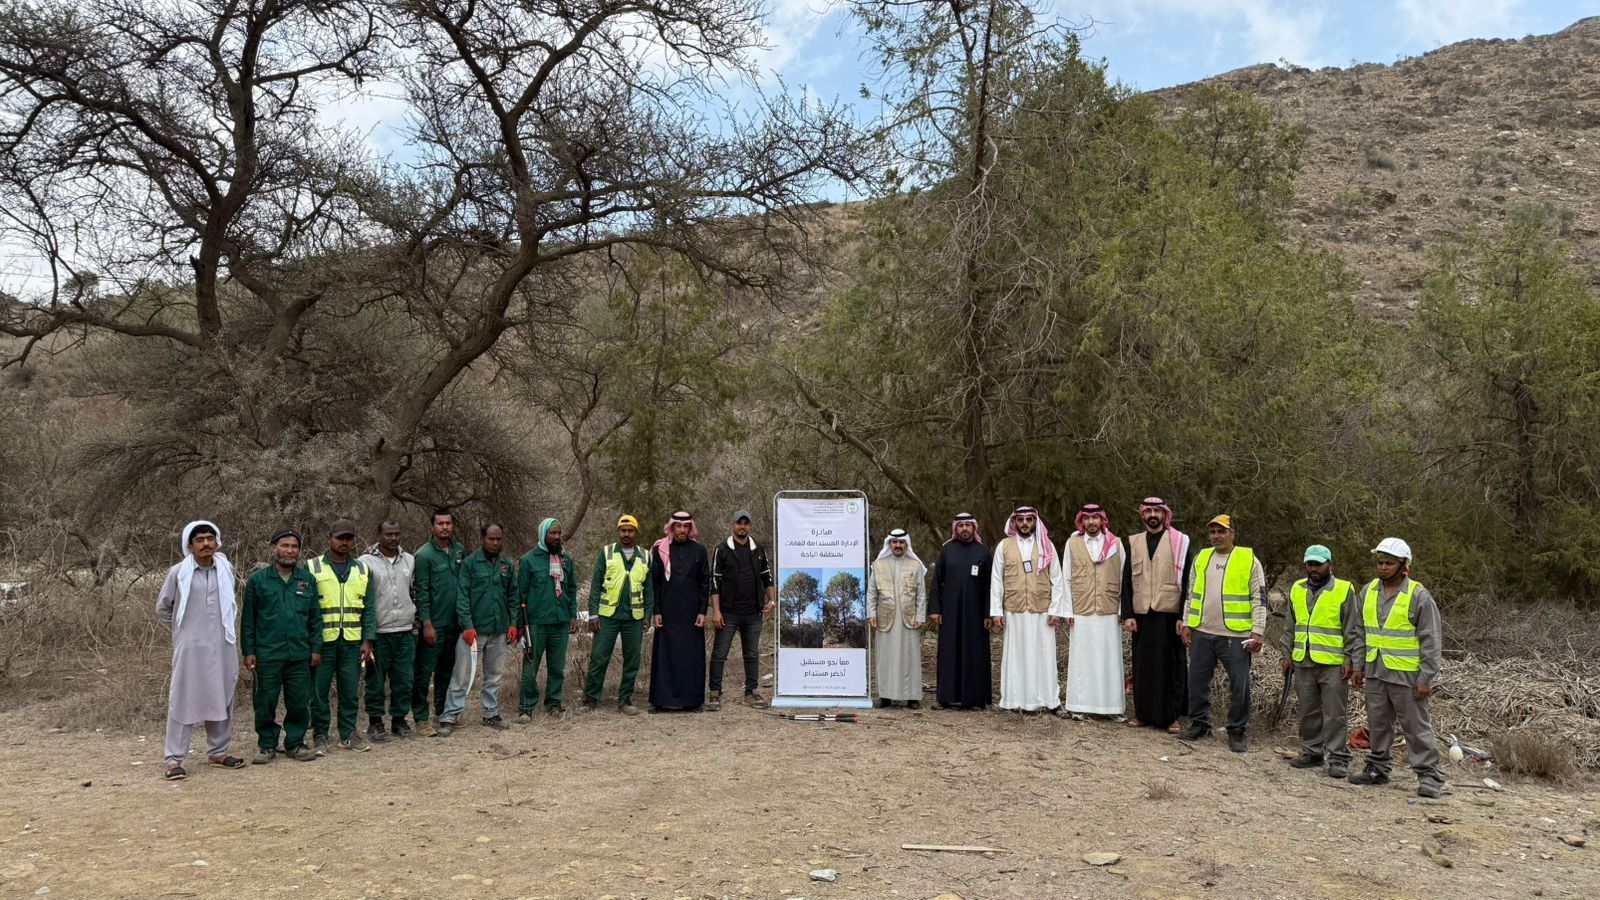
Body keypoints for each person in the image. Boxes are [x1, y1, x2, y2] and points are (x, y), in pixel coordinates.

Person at [1349, 538, 1447, 798]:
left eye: (1388, 563)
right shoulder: (1368, 591)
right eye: (1379, 562)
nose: (1382, 567)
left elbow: (1431, 639)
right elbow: (1361, 632)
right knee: (1378, 723)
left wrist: (1426, 677)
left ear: (1403, 565)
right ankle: (1377, 769)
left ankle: (1429, 777)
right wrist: (1358, 666)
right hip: (1376, 670)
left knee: (1415, 726)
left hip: (1406, 674)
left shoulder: (1418, 595)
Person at [156, 521, 245, 779]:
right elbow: (163, 608)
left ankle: (218, 752)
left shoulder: (225, 568)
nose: (206, 544)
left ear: (217, 542)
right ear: (190, 545)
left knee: (222, 694)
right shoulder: (178, 572)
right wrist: (182, 632)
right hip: (190, 648)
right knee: (183, 698)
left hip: (222, 644)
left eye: (210, 538)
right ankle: (174, 760)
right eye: (200, 540)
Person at [1177, 514, 1267, 752]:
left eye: (1222, 531)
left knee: (1239, 684)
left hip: (1235, 636)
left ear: (1232, 534)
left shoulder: (1248, 560)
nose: (1216, 536)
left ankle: (1237, 730)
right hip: (1203, 632)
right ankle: (1200, 724)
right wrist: (1187, 623)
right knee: (1196, 681)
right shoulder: (1202, 558)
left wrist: (1257, 632)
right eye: (1213, 532)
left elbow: (1259, 597)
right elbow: (1191, 593)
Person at [241, 529, 321, 764]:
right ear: (274, 547)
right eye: (284, 545)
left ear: (299, 551)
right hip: (268, 654)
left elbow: (315, 618)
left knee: (299, 702)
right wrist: (249, 651)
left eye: (294, 546)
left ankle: (295, 744)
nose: (289, 550)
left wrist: (316, 648)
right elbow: (249, 620)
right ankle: (267, 745)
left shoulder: (307, 580)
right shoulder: (258, 580)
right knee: (265, 702)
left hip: (299, 654)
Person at [1281, 544, 1360, 778]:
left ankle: (1338, 758)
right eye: (1310, 564)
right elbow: (1290, 625)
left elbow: (1352, 628)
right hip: (1303, 661)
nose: (1314, 568)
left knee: (1335, 714)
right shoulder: (1297, 588)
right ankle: (1312, 752)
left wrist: (1350, 659)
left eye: (1319, 564)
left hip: (1333, 663)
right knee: (1309, 711)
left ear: (1330, 565)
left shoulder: (1344, 590)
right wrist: (1286, 654)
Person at [1120, 497, 1196, 733]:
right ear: (1142, 515)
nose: (1153, 515)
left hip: (1169, 615)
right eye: (1148, 511)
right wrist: (1128, 614)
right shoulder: (1134, 542)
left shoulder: (1180, 542)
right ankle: (1142, 714)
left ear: (1164, 515)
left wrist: (1184, 616)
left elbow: (1187, 582)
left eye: (1157, 511)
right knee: (1142, 666)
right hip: (1142, 614)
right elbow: (1126, 581)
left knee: (1171, 666)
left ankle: (1171, 717)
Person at [438, 522, 515, 735]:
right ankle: (450, 715)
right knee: (462, 674)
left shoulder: (507, 565)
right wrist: (467, 626)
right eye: (491, 538)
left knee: (495, 675)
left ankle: (490, 713)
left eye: (498, 539)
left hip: (499, 631)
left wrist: (513, 624)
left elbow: (513, 597)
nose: (495, 542)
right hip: (473, 632)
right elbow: (462, 597)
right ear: (483, 538)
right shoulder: (470, 564)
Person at [307, 519, 376, 754]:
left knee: (349, 691)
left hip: (352, 642)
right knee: (319, 692)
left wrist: (367, 640)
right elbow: (306, 608)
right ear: (330, 538)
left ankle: (348, 734)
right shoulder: (312, 567)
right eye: (340, 537)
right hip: (323, 642)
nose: (344, 542)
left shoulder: (363, 569)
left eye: (349, 538)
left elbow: (368, 608)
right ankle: (320, 736)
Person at [989, 507, 1067, 712]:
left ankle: (1050, 701)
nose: (1025, 523)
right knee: (1015, 656)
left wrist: (1056, 609)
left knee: (1044, 655)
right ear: (1014, 522)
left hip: (1041, 609)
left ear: (1035, 522)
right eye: (1021, 520)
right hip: (1014, 610)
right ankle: (1013, 701)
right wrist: (996, 611)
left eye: (1029, 520)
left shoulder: (1046, 545)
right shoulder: (1003, 546)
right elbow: (997, 580)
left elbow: (1057, 579)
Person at [583, 515, 655, 715]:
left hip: (634, 617)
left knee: (632, 659)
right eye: (623, 531)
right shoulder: (606, 553)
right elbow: (596, 586)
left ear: (636, 532)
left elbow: (649, 590)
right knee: (599, 657)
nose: (626, 534)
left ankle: (625, 700)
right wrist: (593, 615)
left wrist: (647, 615)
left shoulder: (646, 556)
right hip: (607, 616)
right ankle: (590, 699)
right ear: (618, 532)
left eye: (630, 530)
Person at [1061, 504, 1125, 720]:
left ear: (1102, 520)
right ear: (1082, 521)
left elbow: (1123, 577)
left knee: (1109, 659)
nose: (1091, 523)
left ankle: (1112, 708)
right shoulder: (1072, 543)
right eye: (1087, 519)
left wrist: (1121, 609)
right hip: (1081, 608)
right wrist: (1067, 610)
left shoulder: (1116, 544)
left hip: (1109, 609)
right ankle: (1079, 706)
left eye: (1095, 518)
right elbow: (1066, 577)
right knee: (1082, 659)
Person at [708, 509, 776, 710]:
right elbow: (714, 582)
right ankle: (714, 693)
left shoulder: (758, 550)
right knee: (720, 654)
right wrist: (716, 611)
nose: (742, 527)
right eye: (739, 523)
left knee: (752, 654)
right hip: (728, 612)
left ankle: (752, 692)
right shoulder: (722, 550)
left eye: (746, 523)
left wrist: (771, 601)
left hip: (753, 612)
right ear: (733, 525)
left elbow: (767, 577)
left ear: (750, 526)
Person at [513, 517, 578, 721]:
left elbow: (571, 589)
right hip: (536, 623)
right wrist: (520, 626)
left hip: (560, 622)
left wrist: (573, 615)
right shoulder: (528, 560)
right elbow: (520, 594)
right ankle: (526, 707)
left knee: (557, 667)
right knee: (530, 666)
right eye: (552, 533)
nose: (556, 537)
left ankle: (554, 703)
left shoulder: (566, 560)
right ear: (543, 535)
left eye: (558, 533)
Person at [648, 511, 711, 712]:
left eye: (685, 526)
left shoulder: (700, 551)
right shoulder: (661, 550)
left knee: (691, 657)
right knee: (664, 656)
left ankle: (693, 701)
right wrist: (656, 610)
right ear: (672, 527)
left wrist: (703, 611)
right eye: (678, 526)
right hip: (667, 613)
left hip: (692, 614)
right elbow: (655, 583)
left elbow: (704, 583)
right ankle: (660, 700)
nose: (682, 530)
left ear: (690, 528)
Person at [359, 520, 416, 742]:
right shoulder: (365, 562)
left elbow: (414, 591)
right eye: (388, 534)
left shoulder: (409, 560)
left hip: (405, 630)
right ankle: (375, 723)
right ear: (379, 534)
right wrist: (367, 635)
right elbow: (363, 599)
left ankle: (399, 720)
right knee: (375, 680)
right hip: (379, 632)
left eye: (396, 533)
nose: (393, 538)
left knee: (404, 679)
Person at [929, 513, 992, 710]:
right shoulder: (947, 550)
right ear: (956, 529)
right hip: (949, 612)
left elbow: (991, 585)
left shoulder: (983, 551)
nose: (964, 529)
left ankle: (974, 699)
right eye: (961, 526)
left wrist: (988, 613)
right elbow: (936, 581)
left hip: (976, 614)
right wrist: (935, 609)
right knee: (949, 652)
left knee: (974, 652)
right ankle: (945, 697)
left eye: (968, 525)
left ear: (974, 528)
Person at [411, 508, 465, 737]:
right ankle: (421, 718)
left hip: (455, 624)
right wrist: (427, 624)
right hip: (434, 625)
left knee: (447, 670)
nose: (444, 527)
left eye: (448, 523)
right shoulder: (423, 555)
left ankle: (443, 712)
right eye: (440, 524)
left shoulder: (459, 550)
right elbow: (421, 592)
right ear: (432, 526)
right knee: (424, 672)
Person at [866, 528, 928, 708]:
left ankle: (912, 697)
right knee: (885, 658)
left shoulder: (915, 566)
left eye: (901, 542)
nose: (898, 545)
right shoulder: (878, 566)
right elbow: (871, 593)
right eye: (895, 542)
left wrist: (920, 615)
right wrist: (871, 614)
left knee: (910, 657)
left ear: (906, 544)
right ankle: (885, 696)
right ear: (889, 544)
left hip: (909, 619)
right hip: (885, 618)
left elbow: (921, 594)